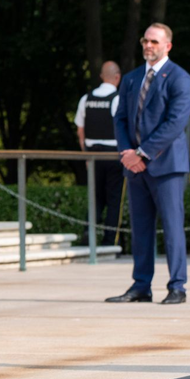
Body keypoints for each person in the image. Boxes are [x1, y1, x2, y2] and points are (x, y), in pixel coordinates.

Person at [107, 23, 190, 305]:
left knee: (172, 227)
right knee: (141, 228)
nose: (148, 46)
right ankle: (141, 285)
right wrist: (126, 153)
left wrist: (142, 153)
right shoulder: (131, 79)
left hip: (166, 165)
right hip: (134, 167)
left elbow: (175, 124)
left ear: (168, 45)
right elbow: (120, 119)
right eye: (145, 40)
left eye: (154, 42)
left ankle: (177, 286)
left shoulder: (180, 78)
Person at [74, 60, 125, 248]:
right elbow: (122, 128)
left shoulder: (86, 98)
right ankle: (110, 241)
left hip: (92, 155)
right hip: (113, 155)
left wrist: (85, 154)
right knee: (114, 199)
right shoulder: (118, 99)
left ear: (101, 77)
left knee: (94, 197)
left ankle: (89, 235)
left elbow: (81, 130)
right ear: (117, 77)